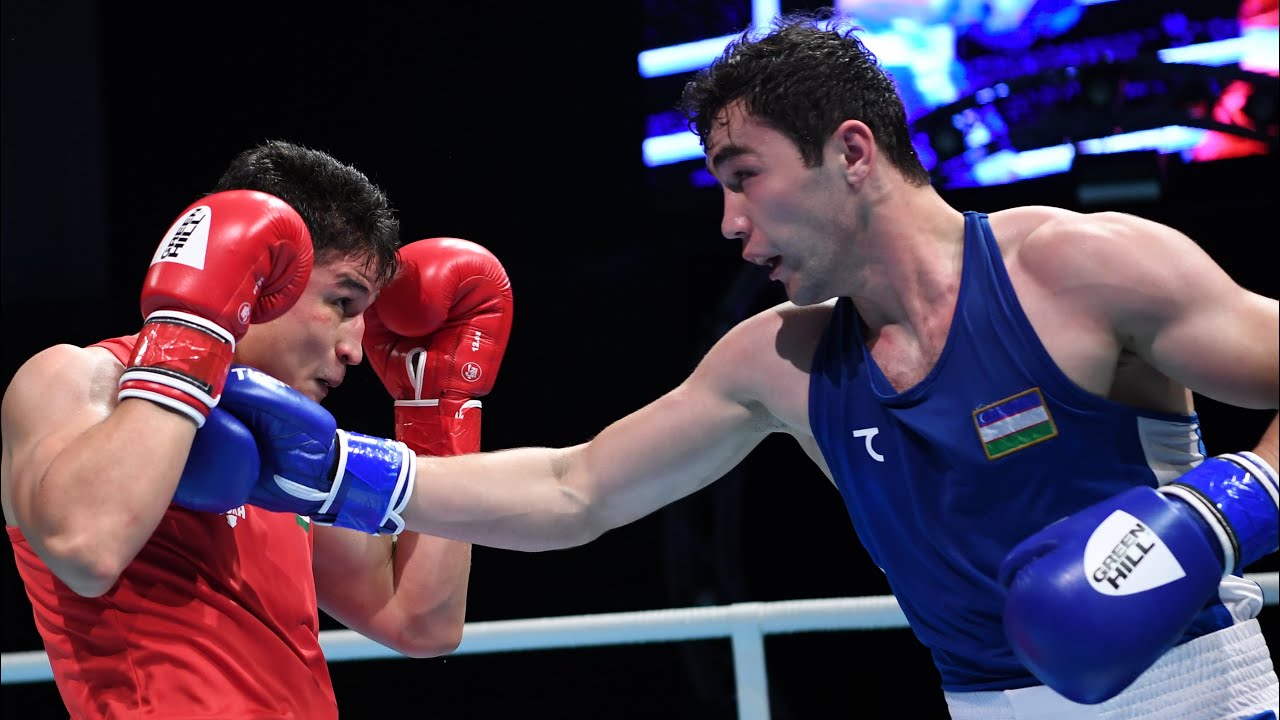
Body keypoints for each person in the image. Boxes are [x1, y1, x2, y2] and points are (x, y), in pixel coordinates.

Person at [180, 11, 1276, 720]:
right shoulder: (781, 360)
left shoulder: (1076, 269)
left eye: (742, 176)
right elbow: (575, 489)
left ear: (851, 153)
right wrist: (336, 474)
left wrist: (1229, 503)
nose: (727, 221)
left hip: (1202, 695)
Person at [0, 139, 515, 718]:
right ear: (265, 269)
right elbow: (84, 548)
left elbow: (421, 621)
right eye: (343, 303)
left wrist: (436, 410)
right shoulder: (80, 378)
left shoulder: (284, 441)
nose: (354, 349)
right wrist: (190, 338)